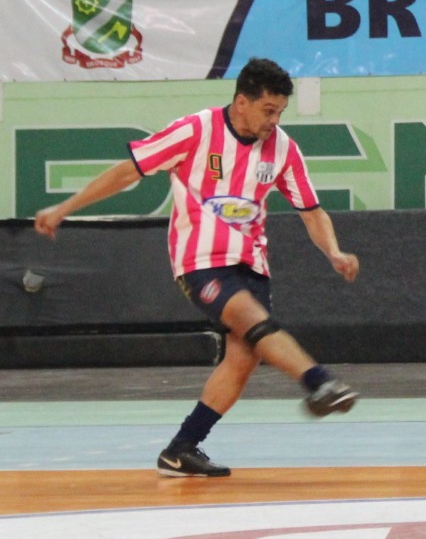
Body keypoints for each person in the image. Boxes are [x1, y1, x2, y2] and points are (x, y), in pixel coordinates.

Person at [34, 57, 361, 479]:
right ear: (241, 102)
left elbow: (311, 211)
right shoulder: (195, 130)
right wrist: (65, 208)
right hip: (200, 261)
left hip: (252, 263)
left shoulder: (283, 148)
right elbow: (126, 173)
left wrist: (333, 251)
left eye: (280, 112)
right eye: (268, 110)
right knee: (250, 317)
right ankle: (319, 381)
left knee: (244, 357)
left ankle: (182, 448)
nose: (274, 120)